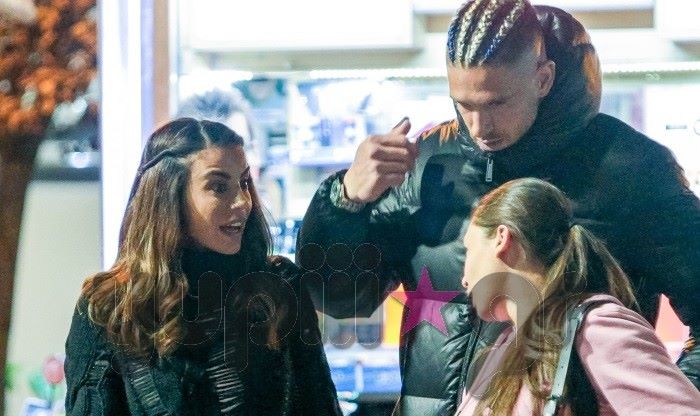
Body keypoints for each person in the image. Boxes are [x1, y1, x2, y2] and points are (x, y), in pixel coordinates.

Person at [297, 0, 700, 414]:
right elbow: (339, 299)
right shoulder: (426, 164)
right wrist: (346, 200)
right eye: (464, 104)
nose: (479, 127)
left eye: (497, 103)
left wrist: (654, 397)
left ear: (543, 78)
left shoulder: (630, 170)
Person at [65, 118, 341, 415]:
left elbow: (320, 405)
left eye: (244, 183)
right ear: (169, 195)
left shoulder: (280, 286)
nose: (243, 202)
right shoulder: (109, 305)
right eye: (219, 186)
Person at [455, 178, 700, 415]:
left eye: (469, 250)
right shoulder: (507, 344)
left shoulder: (596, 329)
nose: (464, 279)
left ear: (501, 239)